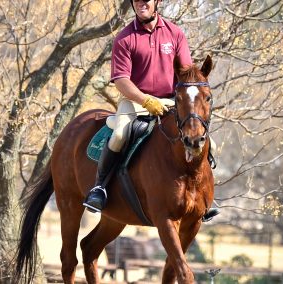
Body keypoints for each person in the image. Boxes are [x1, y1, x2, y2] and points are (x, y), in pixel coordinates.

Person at [83, 0, 219, 222]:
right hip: (135, 101)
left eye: (146, 0)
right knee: (119, 135)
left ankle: (203, 195)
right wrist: (145, 101)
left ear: (157, 2)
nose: (141, 4)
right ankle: (99, 189)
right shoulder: (125, 38)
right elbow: (121, 80)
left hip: (170, 101)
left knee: (206, 141)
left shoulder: (175, 34)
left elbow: (185, 73)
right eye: (136, 1)